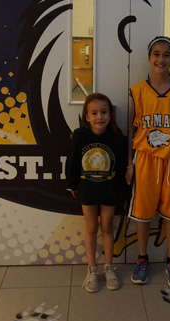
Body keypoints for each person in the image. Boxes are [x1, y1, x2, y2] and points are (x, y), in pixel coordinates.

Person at [126, 36, 170, 288]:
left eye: (166, 54)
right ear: (149, 58)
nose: (160, 59)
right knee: (142, 215)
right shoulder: (138, 90)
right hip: (144, 160)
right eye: (156, 54)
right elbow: (130, 130)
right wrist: (129, 164)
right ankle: (143, 258)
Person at [66, 93, 128, 293]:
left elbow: (120, 165)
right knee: (92, 228)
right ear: (87, 116)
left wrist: (121, 188)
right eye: (94, 113)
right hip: (87, 190)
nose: (99, 117)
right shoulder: (80, 137)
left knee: (107, 226)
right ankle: (92, 270)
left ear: (110, 115)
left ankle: (108, 268)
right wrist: (73, 184)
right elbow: (72, 162)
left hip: (109, 190)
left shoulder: (117, 138)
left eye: (104, 112)